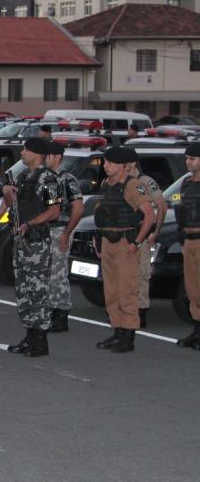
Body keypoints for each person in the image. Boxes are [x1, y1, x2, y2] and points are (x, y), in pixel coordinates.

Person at [93, 146, 154, 353]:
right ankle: (117, 331)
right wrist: (98, 240)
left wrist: (137, 242)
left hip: (125, 244)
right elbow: (101, 215)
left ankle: (128, 336)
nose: (105, 166)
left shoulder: (134, 185)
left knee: (127, 290)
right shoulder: (106, 184)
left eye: (110, 163)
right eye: (105, 162)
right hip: (107, 242)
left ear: (122, 166)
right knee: (111, 291)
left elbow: (149, 215)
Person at [5, 138, 61, 357]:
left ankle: (40, 340)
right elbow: (15, 206)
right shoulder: (22, 177)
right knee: (24, 291)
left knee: (37, 291)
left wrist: (30, 223)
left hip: (36, 243)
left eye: (26, 150)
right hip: (21, 241)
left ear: (37, 154)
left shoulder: (48, 179)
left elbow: (54, 211)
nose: (22, 153)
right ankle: (29, 336)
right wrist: (8, 193)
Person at [45, 141, 84, 332]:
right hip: (44, 231)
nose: (44, 159)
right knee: (46, 273)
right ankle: (49, 311)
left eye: (47, 156)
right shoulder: (44, 178)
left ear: (57, 157)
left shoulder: (67, 179)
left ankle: (60, 315)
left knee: (57, 274)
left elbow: (78, 208)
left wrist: (67, 233)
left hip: (59, 229)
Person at [125, 147, 166, 328]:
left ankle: (140, 313)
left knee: (141, 274)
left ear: (132, 163)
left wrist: (155, 232)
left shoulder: (144, 182)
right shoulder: (120, 181)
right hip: (125, 235)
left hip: (141, 233)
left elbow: (161, 205)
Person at [175, 143, 200, 350]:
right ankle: (197, 330)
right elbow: (182, 214)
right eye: (186, 158)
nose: (187, 162)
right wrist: (182, 240)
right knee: (192, 290)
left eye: (192, 158)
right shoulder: (186, 183)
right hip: (189, 241)